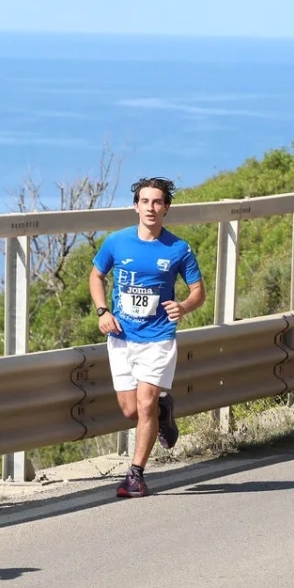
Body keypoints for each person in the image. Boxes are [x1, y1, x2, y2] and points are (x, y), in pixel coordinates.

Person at [89, 177, 205, 497]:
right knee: (130, 411)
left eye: (157, 202)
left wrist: (183, 306)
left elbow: (198, 292)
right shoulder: (116, 242)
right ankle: (164, 411)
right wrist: (103, 311)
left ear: (166, 208)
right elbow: (96, 275)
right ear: (136, 206)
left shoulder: (178, 249)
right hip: (122, 336)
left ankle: (135, 475)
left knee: (144, 405)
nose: (151, 208)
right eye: (145, 202)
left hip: (158, 337)